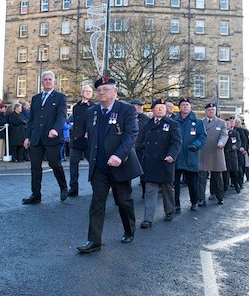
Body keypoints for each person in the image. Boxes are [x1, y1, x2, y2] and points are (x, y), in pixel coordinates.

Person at [77, 77, 143, 253]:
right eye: (99, 90)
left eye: (106, 89)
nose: (101, 93)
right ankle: (94, 241)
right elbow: (91, 137)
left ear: (115, 91)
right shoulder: (93, 111)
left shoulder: (127, 110)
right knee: (97, 203)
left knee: (123, 201)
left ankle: (129, 230)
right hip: (99, 167)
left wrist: (119, 155)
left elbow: (131, 135)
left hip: (119, 165)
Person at [22, 70, 69, 204]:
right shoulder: (35, 98)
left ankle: (63, 187)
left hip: (52, 138)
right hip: (36, 138)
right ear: (41, 82)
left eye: (50, 79)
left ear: (54, 81)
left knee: (55, 164)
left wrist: (55, 129)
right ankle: (36, 195)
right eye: (45, 79)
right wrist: (27, 137)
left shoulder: (60, 97)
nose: (47, 81)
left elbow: (61, 116)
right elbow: (32, 120)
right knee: (35, 167)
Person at [135, 98, 181, 226]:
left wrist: (172, 155)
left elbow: (176, 142)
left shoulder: (172, 124)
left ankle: (169, 211)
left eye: (163, 107)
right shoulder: (147, 125)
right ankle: (148, 219)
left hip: (166, 161)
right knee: (150, 190)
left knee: (167, 189)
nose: (160, 109)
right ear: (153, 110)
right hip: (150, 162)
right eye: (158, 107)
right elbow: (139, 141)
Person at [173, 97, 207, 213]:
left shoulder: (198, 122)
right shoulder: (174, 121)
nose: (185, 106)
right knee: (174, 184)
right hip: (176, 157)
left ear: (190, 107)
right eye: (183, 104)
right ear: (179, 107)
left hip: (190, 155)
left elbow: (202, 137)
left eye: (187, 104)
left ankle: (194, 202)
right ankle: (176, 205)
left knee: (192, 183)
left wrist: (196, 145)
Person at [198, 102, 229, 206]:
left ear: (215, 111)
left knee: (217, 177)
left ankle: (220, 197)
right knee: (202, 178)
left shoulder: (221, 122)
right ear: (205, 111)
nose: (211, 111)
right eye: (209, 110)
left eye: (213, 110)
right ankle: (201, 199)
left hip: (216, 151)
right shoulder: (201, 122)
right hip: (203, 152)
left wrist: (221, 143)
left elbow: (224, 135)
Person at [68, 85, 95, 197]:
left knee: (94, 165)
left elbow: (94, 122)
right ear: (81, 93)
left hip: (88, 140)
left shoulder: (94, 107)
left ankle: (97, 187)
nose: (88, 93)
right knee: (73, 165)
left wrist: (89, 131)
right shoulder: (76, 107)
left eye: (90, 91)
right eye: (86, 91)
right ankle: (73, 188)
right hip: (76, 140)